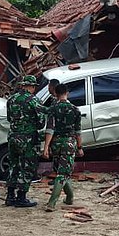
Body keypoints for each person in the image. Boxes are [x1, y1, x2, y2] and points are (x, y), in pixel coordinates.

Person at [6, 75, 46, 207]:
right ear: (32, 87)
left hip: (13, 137)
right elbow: (41, 123)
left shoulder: (11, 99)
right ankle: (21, 197)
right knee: (27, 167)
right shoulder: (34, 101)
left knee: (14, 166)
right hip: (27, 139)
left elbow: (9, 118)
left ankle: (10, 195)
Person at [41, 83, 83, 211]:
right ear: (67, 93)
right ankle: (51, 203)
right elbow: (78, 131)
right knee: (63, 173)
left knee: (62, 172)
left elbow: (50, 129)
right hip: (69, 143)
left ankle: (69, 197)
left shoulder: (52, 108)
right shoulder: (75, 109)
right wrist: (80, 147)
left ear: (55, 93)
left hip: (56, 143)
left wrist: (46, 147)